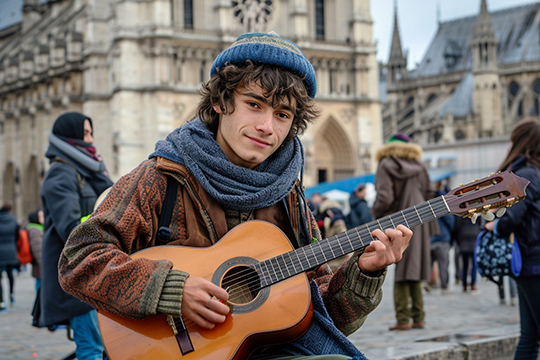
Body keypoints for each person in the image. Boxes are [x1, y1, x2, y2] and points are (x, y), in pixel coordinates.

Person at [58, 32, 413, 359]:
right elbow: (77, 259)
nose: (266, 127)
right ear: (221, 101)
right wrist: (171, 291)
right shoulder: (162, 175)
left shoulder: (288, 193)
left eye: (282, 114)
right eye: (254, 104)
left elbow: (321, 313)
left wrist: (364, 272)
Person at [37, 112, 113, 360]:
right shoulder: (62, 173)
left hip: (96, 269)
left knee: (100, 346)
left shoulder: (86, 171)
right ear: (72, 137)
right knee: (91, 347)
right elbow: (70, 227)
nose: (91, 141)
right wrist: (102, 224)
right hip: (78, 274)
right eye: (86, 134)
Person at [484, 118, 540, 360]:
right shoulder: (530, 173)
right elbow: (512, 217)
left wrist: (494, 226)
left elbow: (511, 216)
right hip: (534, 262)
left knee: (529, 336)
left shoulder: (525, 172)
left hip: (530, 261)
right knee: (529, 336)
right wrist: (497, 226)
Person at [372, 132, 439, 331]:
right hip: (422, 219)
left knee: (401, 269)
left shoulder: (386, 164)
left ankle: (403, 320)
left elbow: (384, 197)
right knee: (416, 268)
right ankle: (418, 317)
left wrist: (376, 215)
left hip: (399, 221)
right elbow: (429, 192)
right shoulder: (420, 166)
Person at [452, 215, 481, 292]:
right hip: (475, 236)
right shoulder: (477, 210)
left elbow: (456, 226)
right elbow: (480, 223)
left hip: (463, 237)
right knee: (474, 264)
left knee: (465, 264)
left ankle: (464, 284)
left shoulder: (461, 213)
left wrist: (457, 240)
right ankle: (472, 284)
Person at [0, 202, 20, 311]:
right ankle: (11, 293)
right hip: (11, 250)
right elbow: (17, 236)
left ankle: (1, 300)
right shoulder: (13, 219)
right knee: (10, 275)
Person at [26, 210, 44, 292]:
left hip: (39, 264)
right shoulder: (35, 230)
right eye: (41, 216)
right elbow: (37, 249)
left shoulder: (37, 228)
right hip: (39, 264)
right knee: (40, 284)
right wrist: (42, 264)